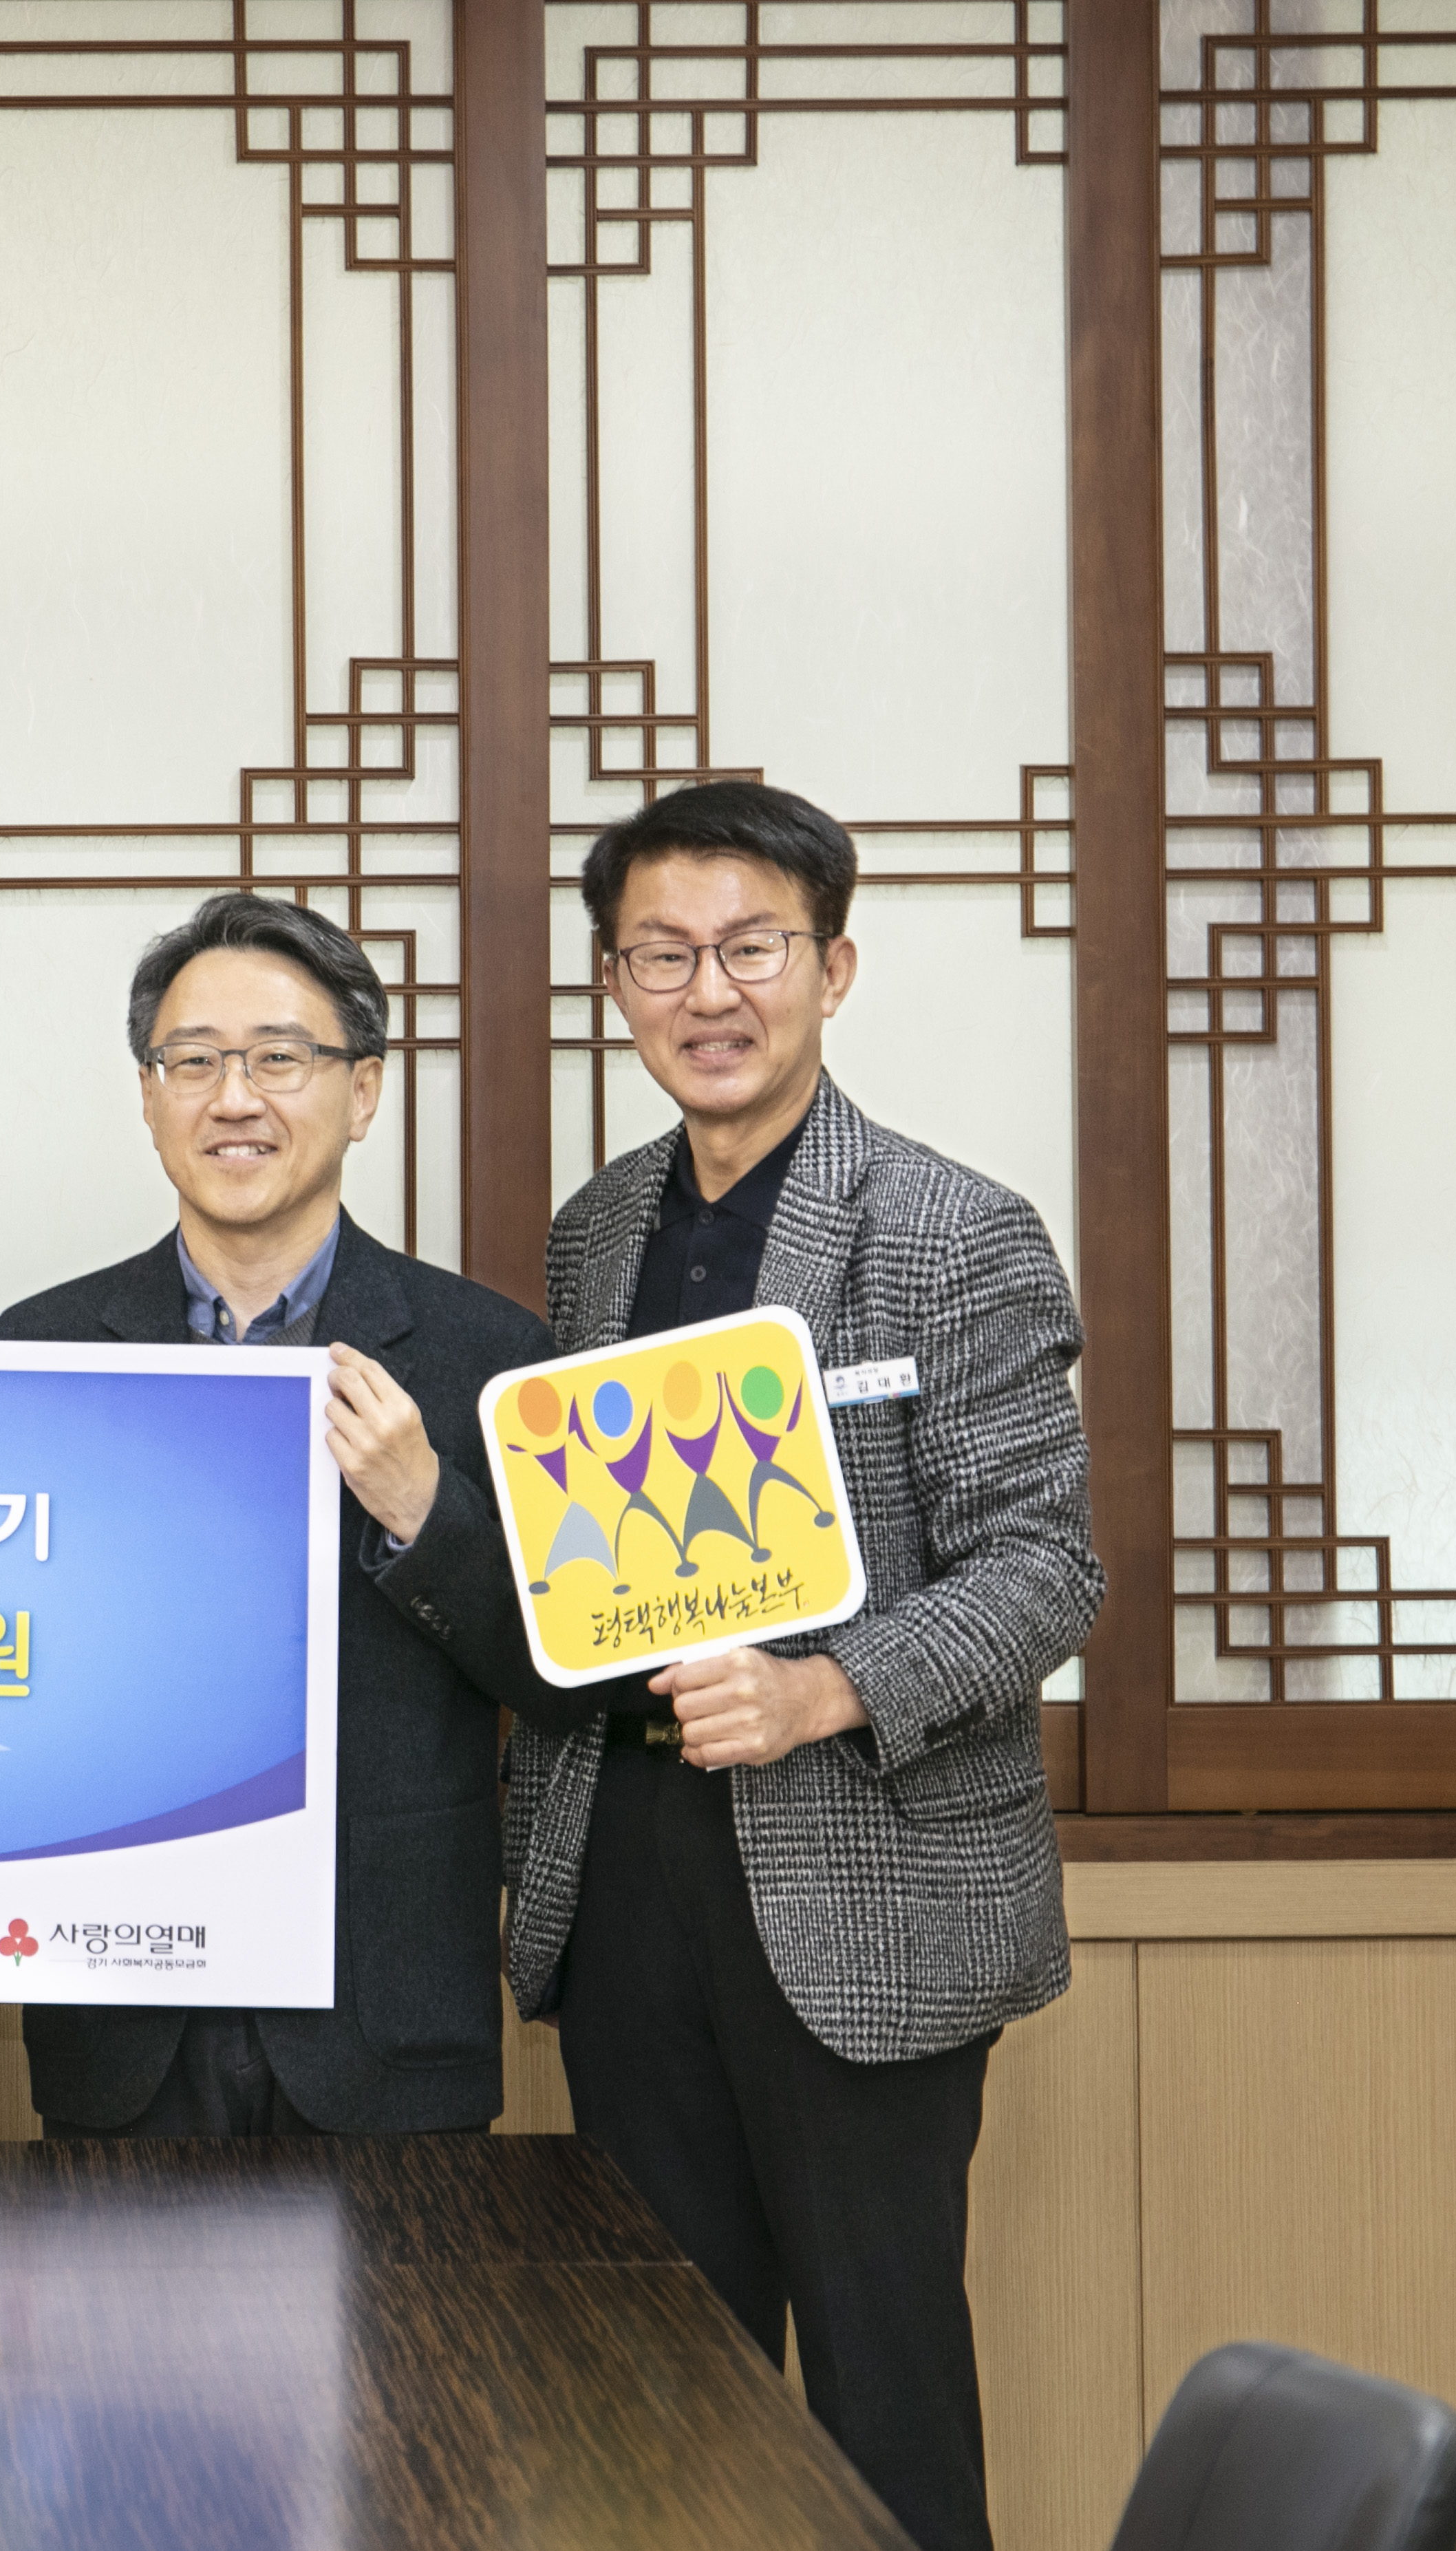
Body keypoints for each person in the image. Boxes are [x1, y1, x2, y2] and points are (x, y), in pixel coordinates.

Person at [507, 780, 1100, 2551]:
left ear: (831, 969)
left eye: (750, 948)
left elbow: (1045, 1569)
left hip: (862, 1880)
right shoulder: (595, 1229)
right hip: (625, 1872)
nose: (709, 992)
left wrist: (820, 1689)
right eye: (661, 955)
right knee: (651, 2396)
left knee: (880, 2387)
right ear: (613, 984)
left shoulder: (948, 1227)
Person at [0, 890, 579, 2135]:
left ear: (363, 1092)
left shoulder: (489, 1355)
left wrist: (427, 1513)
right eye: (191, 1062)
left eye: (279, 1059)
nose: (233, 1098)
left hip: (384, 2005)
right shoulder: (44, 1350)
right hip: (118, 2010)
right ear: (149, 1100)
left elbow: (565, 1683)